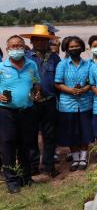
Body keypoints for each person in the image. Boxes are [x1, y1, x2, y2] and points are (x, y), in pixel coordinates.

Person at [0, 35, 41, 193]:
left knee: (27, 144)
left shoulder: (31, 65)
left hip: (28, 110)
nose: (17, 48)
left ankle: (26, 176)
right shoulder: (1, 67)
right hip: (6, 112)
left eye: (20, 46)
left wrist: (37, 93)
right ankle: (12, 180)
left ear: (24, 48)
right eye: (14, 46)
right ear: (7, 48)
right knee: (8, 144)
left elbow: (36, 82)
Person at [21, 25, 61, 178]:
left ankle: (49, 166)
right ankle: (33, 166)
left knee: (50, 135)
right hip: (31, 101)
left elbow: (58, 79)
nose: (41, 43)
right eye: (37, 40)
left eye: (44, 40)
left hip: (50, 101)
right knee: (31, 135)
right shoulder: (25, 58)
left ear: (48, 41)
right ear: (32, 41)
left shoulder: (54, 57)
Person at [54, 36, 93, 172]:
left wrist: (84, 89)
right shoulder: (62, 64)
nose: (74, 48)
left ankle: (83, 157)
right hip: (67, 104)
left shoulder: (89, 64)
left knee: (84, 131)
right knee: (71, 132)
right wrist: (70, 90)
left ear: (81, 47)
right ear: (66, 49)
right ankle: (75, 158)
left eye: (77, 46)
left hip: (85, 103)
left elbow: (91, 83)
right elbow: (58, 83)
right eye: (71, 47)